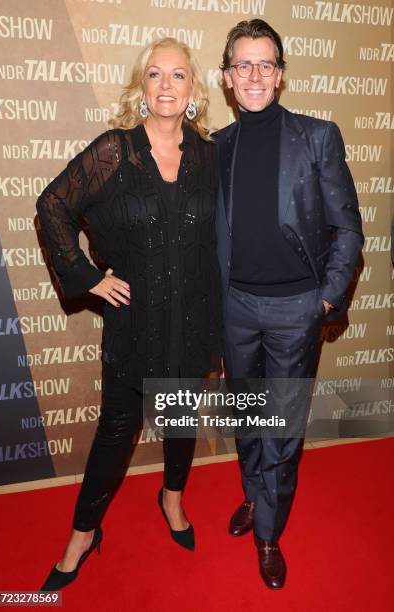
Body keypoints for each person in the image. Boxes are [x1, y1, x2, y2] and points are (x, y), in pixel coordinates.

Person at [37, 37, 222, 591]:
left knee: (181, 418)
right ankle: (82, 533)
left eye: (179, 76)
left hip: (193, 318)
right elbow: (53, 206)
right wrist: (89, 278)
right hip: (135, 323)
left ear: (193, 90)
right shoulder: (114, 151)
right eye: (155, 75)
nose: (167, 85)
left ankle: (172, 498)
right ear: (141, 87)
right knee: (116, 431)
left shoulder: (210, 156)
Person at [214, 19, 363, 589]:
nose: (254, 75)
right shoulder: (216, 147)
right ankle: (254, 497)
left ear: (280, 74)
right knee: (248, 417)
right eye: (243, 65)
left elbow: (347, 229)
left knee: (283, 427)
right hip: (235, 311)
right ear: (228, 78)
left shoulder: (317, 136)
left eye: (265, 64)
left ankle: (269, 533)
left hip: (296, 309)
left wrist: (325, 299)